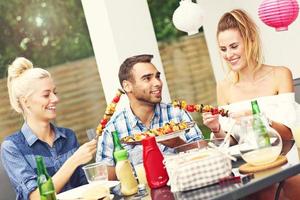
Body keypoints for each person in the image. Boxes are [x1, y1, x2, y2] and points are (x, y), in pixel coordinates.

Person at [202, 9, 299, 200]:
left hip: (287, 159)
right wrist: (217, 128)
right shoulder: (223, 86)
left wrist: (257, 118)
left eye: (233, 46)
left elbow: (288, 134)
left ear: (250, 40)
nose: (228, 54)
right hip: (250, 166)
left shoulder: (280, 75)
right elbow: (231, 142)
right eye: (223, 49)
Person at [1, 57, 97, 200]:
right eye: (46, 95)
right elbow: (37, 197)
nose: (55, 99)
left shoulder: (68, 136)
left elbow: (85, 186)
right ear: (26, 102)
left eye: (55, 93)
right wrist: (74, 161)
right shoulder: (12, 147)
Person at [96, 54, 203, 180]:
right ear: (127, 86)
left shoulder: (177, 113)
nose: (157, 83)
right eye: (147, 78)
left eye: (157, 76)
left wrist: (178, 144)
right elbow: (104, 178)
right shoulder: (112, 129)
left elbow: (205, 152)